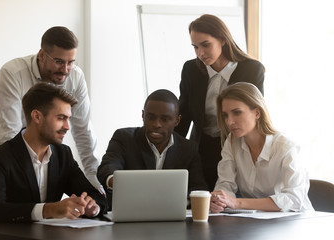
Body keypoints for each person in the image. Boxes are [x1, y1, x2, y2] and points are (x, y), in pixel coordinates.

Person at [0, 26, 103, 195]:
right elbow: (7, 135)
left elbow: (83, 130)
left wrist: (94, 181)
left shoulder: (76, 78)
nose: (65, 70)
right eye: (58, 61)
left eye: (70, 62)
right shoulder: (13, 73)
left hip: (39, 157)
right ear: (42, 55)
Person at [0, 83, 107, 222]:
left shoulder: (63, 154)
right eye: (61, 118)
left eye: (68, 119)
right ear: (37, 116)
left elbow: (97, 196)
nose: (67, 127)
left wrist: (92, 207)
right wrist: (49, 209)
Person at [175, 14, 265, 191]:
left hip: (237, 146)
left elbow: (255, 116)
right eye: (195, 47)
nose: (200, 53)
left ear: (223, 40)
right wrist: (169, 152)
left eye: (206, 45)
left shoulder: (251, 69)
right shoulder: (191, 69)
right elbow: (183, 115)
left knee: (232, 203)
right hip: (201, 148)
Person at [210, 82, 313, 213]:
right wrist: (219, 200)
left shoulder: (286, 147)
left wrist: (236, 202)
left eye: (237, 112)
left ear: (257, 113)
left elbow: (294, 199)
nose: (229, 121)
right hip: (257, 223)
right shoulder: (232, 141)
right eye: (226, 115)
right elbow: (225, 184)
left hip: (296, 223)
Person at [97, 89, 208, 208]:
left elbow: (198, 188)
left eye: (165, 119)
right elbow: (107, 168)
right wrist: (117, 181)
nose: (156, 124)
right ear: (143, 115)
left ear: (177, 121)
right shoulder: (123, 138)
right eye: (150, 117)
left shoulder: (189, 149)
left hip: (171, 216)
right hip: (130, 213)